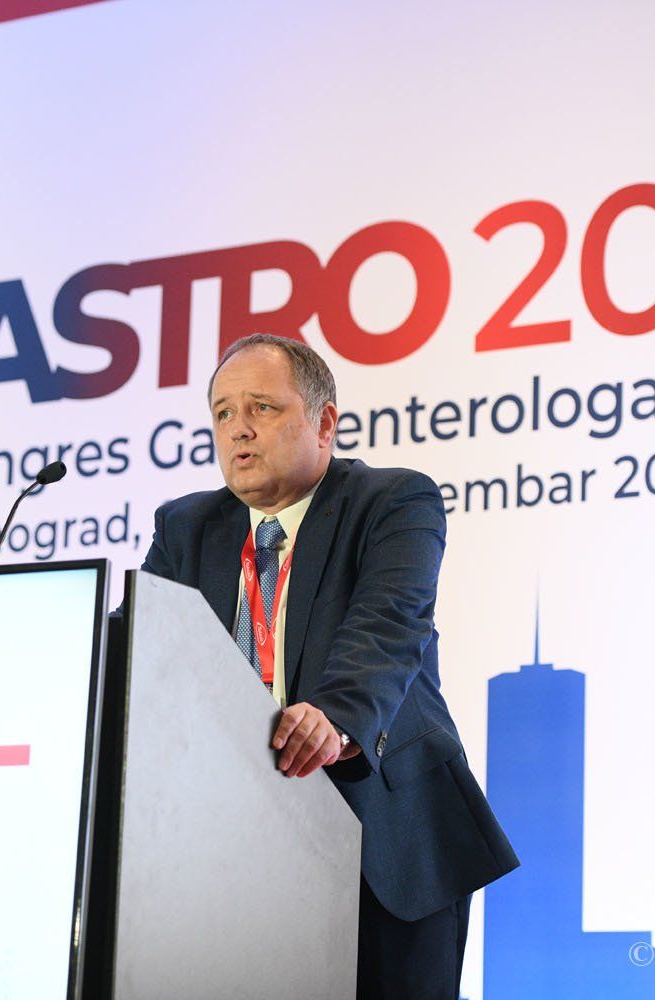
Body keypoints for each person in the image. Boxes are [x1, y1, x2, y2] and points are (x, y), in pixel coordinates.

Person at [137, 333, 518, 998]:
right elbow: (147, 650)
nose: (239, 429)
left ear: (324, 422)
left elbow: (388, 625)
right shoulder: (186, 527)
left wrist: (334, 719)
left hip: (385, 836)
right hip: (227, 845)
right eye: (223, 413)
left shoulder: (392, 501)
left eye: (262, 407)